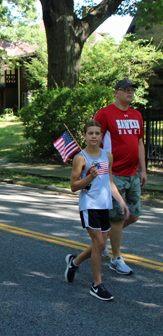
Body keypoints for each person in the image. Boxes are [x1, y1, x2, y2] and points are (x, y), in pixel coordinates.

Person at [65, 121, 129, 301]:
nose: (94, 136)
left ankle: (74, 262)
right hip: (89, 206)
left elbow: (109, 183)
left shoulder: (107, 156)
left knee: (99, 245)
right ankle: (97, 285)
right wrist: (89, 177)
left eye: (97, 133)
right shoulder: (80, 158)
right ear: (84, 135)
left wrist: (121, 201)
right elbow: (73, 186)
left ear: (102, 136)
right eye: (90, 133)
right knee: (100, 245)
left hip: (105, 206)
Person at [94, 79, 146, 275]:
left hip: (132, 173)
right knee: (117, 217)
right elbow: (95, 140)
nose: (130, 92)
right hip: (113, 173)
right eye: (126, 89)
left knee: (133, 214)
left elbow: (139, 143)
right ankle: (116, 258)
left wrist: (143, 170)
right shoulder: (105, 113)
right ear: (116, 92)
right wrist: (98, 169)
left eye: (132, 89)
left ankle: (103, 238)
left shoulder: (137, 115)